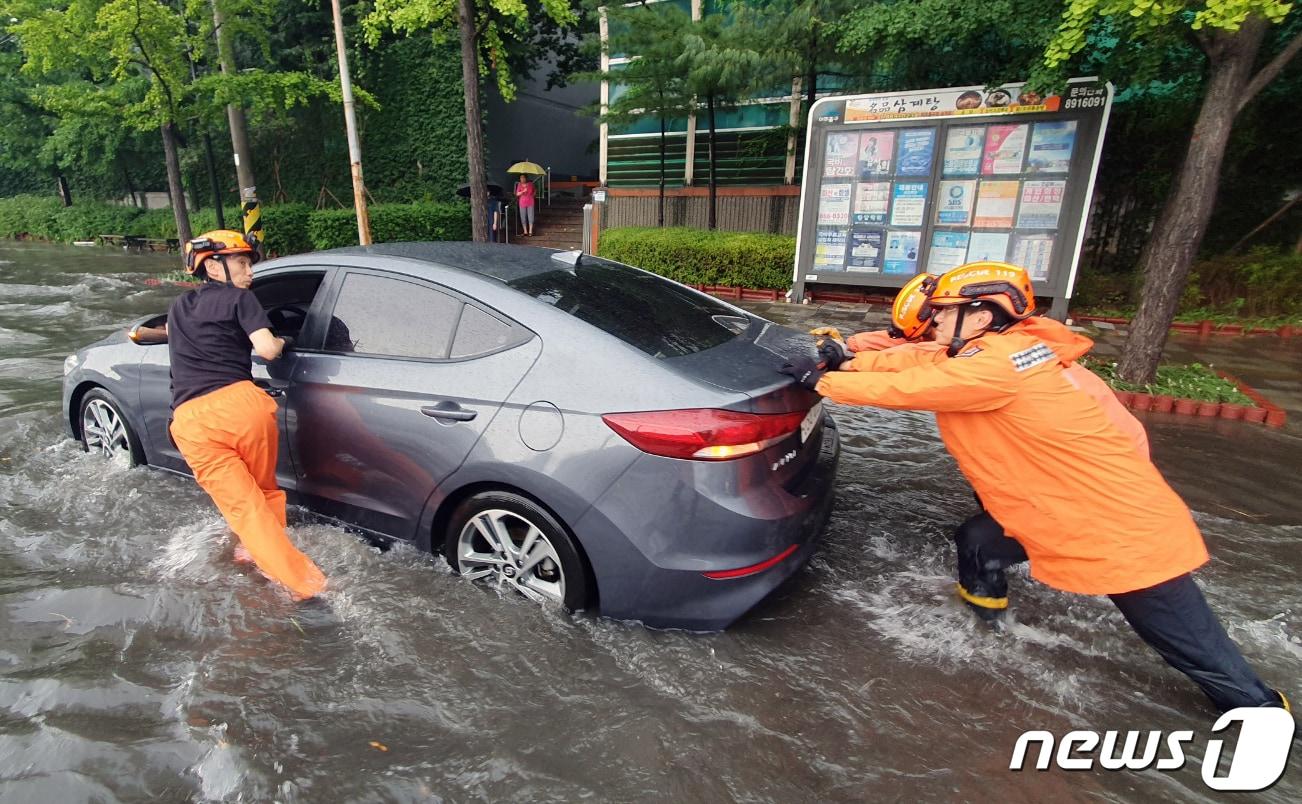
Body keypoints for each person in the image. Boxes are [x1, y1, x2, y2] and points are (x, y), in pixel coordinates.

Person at [783, 262, 1287, 713]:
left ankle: (1261, 710)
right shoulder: (1000, 351)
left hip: (1113, 521)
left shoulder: (998, 368)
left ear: (981, 316)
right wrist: (846, 360)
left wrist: (823, 383)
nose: (934, 320)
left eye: (943, 311)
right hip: (1054, 506)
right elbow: (918, 361)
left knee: (1186, 643)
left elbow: (912, 388)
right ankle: (989, 627)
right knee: (980, 542)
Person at [165, 230, 327, 600]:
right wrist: (285, 339)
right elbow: (269, 349)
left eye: (249, 264)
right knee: (265, 492)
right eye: (241, 262)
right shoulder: (241, 300)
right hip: (244, 407)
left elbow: (176, 342)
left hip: (192, 418)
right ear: (213, 266)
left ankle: (302, 585)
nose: (250, 271)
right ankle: (271, 560)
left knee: (245, 506)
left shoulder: (178, 306)